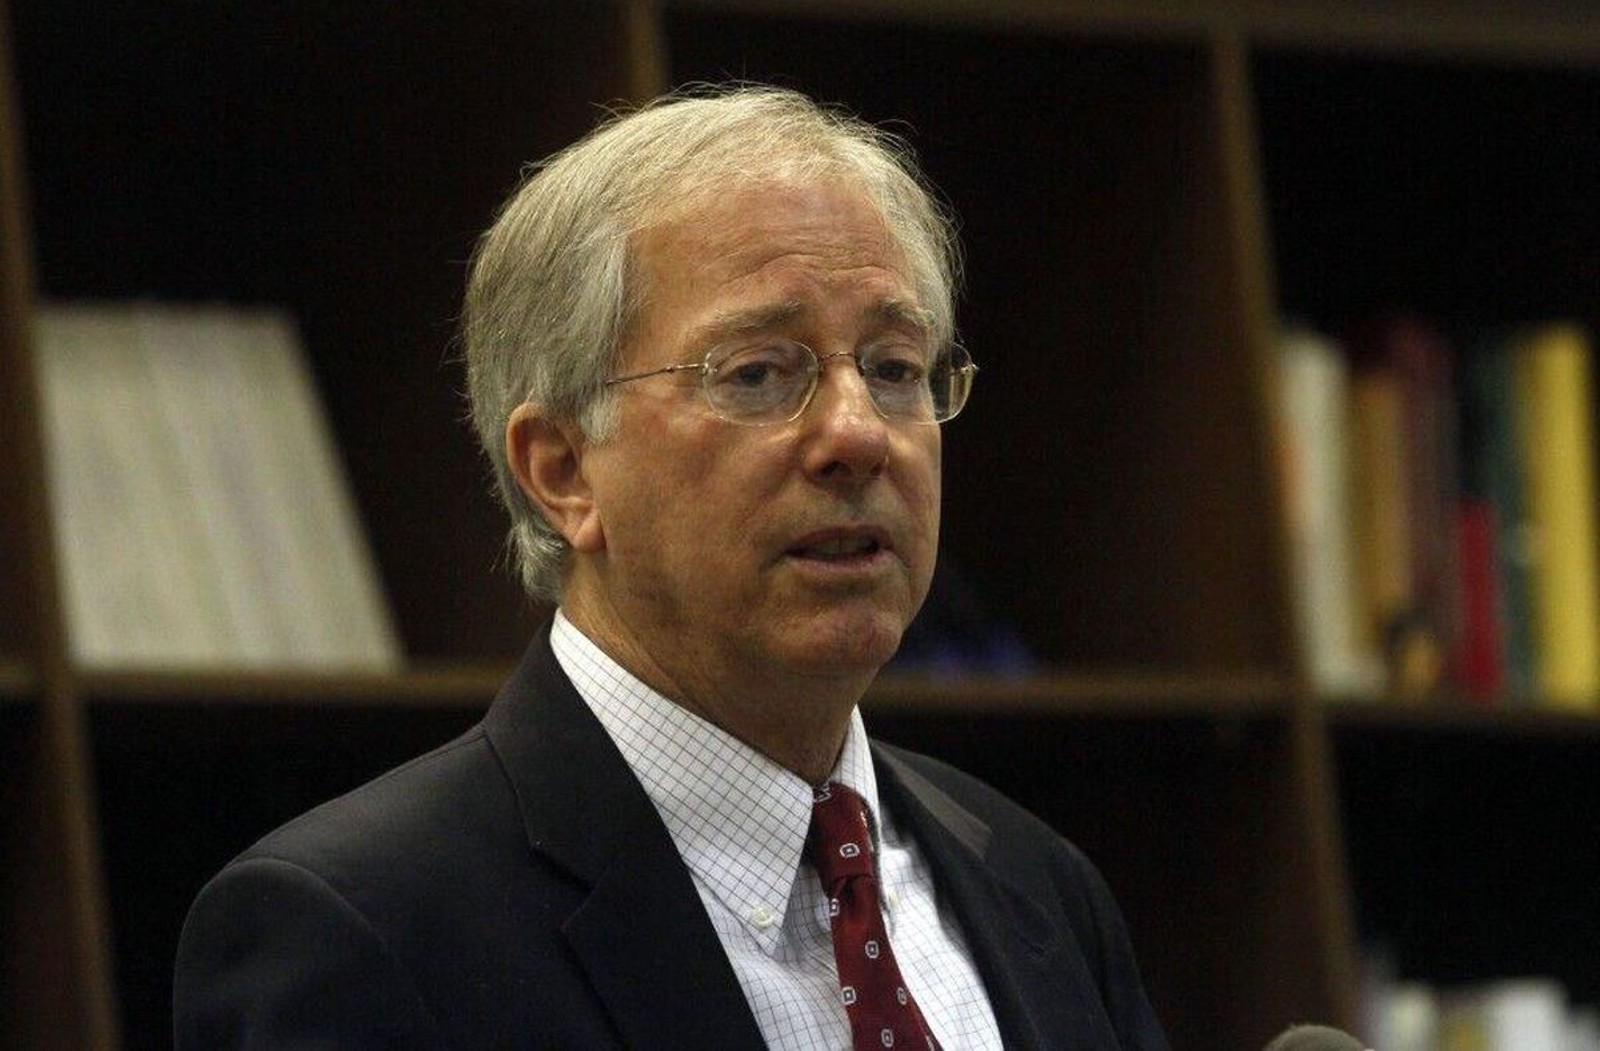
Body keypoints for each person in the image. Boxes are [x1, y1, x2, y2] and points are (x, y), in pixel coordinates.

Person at [174, 85, 1168, 1050]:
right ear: (564, 470)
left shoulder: (1040, 884)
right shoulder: (362, 932)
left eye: (894, 368)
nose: (859, 433)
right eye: (758, 373)